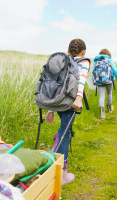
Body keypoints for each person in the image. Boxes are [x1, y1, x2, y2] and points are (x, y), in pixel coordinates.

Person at [45, 39, 90, 185]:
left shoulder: (63, 60)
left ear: (69, 50)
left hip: (58, 101)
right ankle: (61, 176)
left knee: (64, 131)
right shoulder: (84, 61)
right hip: (71, 102)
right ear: (83, 52)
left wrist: (51, 109)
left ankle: (55, 155)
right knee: (65, 134)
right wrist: (78, 99)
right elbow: (81, 81)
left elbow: (55, 84)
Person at [93, 49, 117, 118]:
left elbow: (93, 71)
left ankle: (102, 114)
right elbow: (114, 69)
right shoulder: (109, 59)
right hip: (109, 80)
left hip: (99, 80)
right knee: (109, 93)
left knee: (101, 96)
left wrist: (94, 81)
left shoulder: (97, 60)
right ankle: (109, 108)